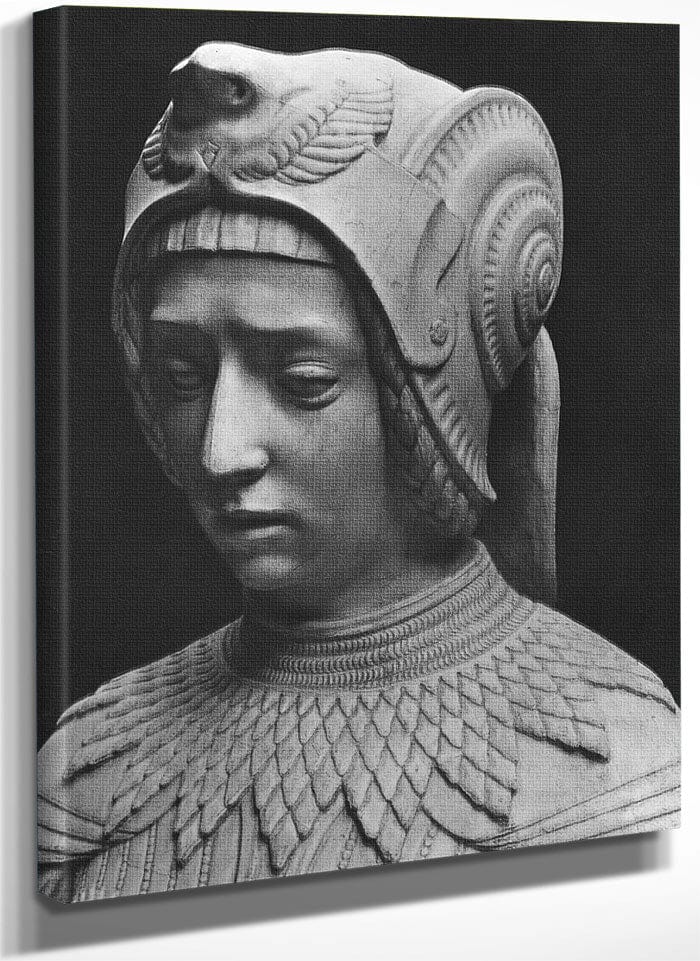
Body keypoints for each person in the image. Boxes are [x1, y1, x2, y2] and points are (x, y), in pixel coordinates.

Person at [37, 42, 680, 902]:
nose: (221, 450)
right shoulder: (86, 776)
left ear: (426, 408)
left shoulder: (616, 767)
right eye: (182, 378)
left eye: (302, 380)